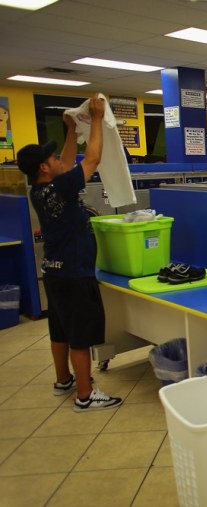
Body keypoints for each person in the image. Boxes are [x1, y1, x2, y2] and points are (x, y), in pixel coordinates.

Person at [17, 93, 123, 413]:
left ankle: (63, 379)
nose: (57, 160)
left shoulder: (40, 189)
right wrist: (94, 122)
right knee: (80, 337)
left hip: (53, 272)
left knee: (60, 330)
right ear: (44, 168)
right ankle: (85, 395)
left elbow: (65, 162)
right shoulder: (60, 188)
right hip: (75, 274)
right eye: (50, 159)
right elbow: (90, 160)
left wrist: (70, 132)